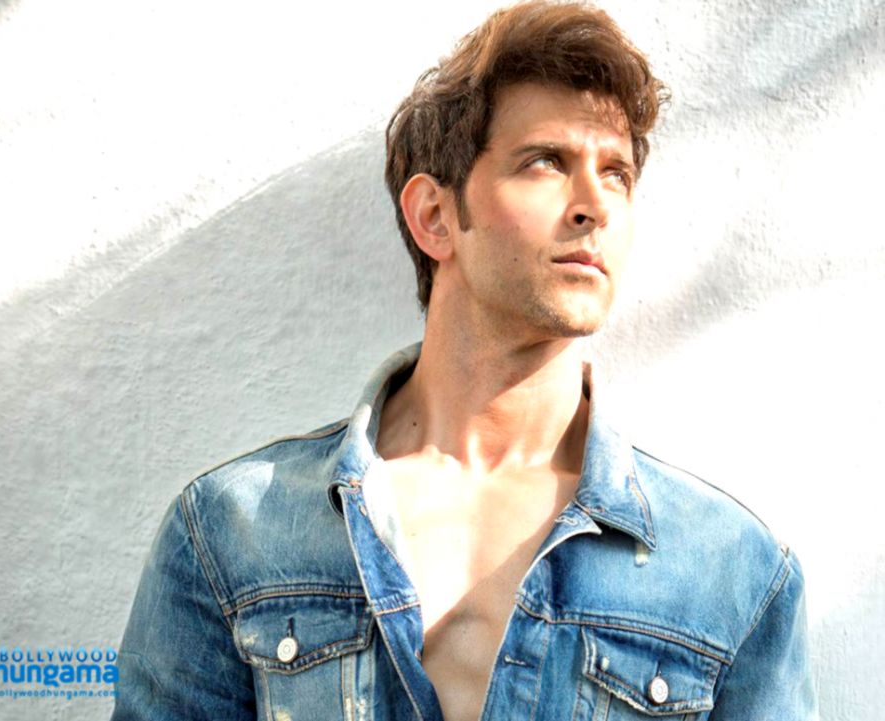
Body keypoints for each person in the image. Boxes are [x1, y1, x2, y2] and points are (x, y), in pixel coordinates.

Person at [112, 2, 817, 719]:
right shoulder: (234, 531)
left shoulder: (733, 573)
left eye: (617, 174)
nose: (594, 206)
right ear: (434, 217)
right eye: (545, 162)